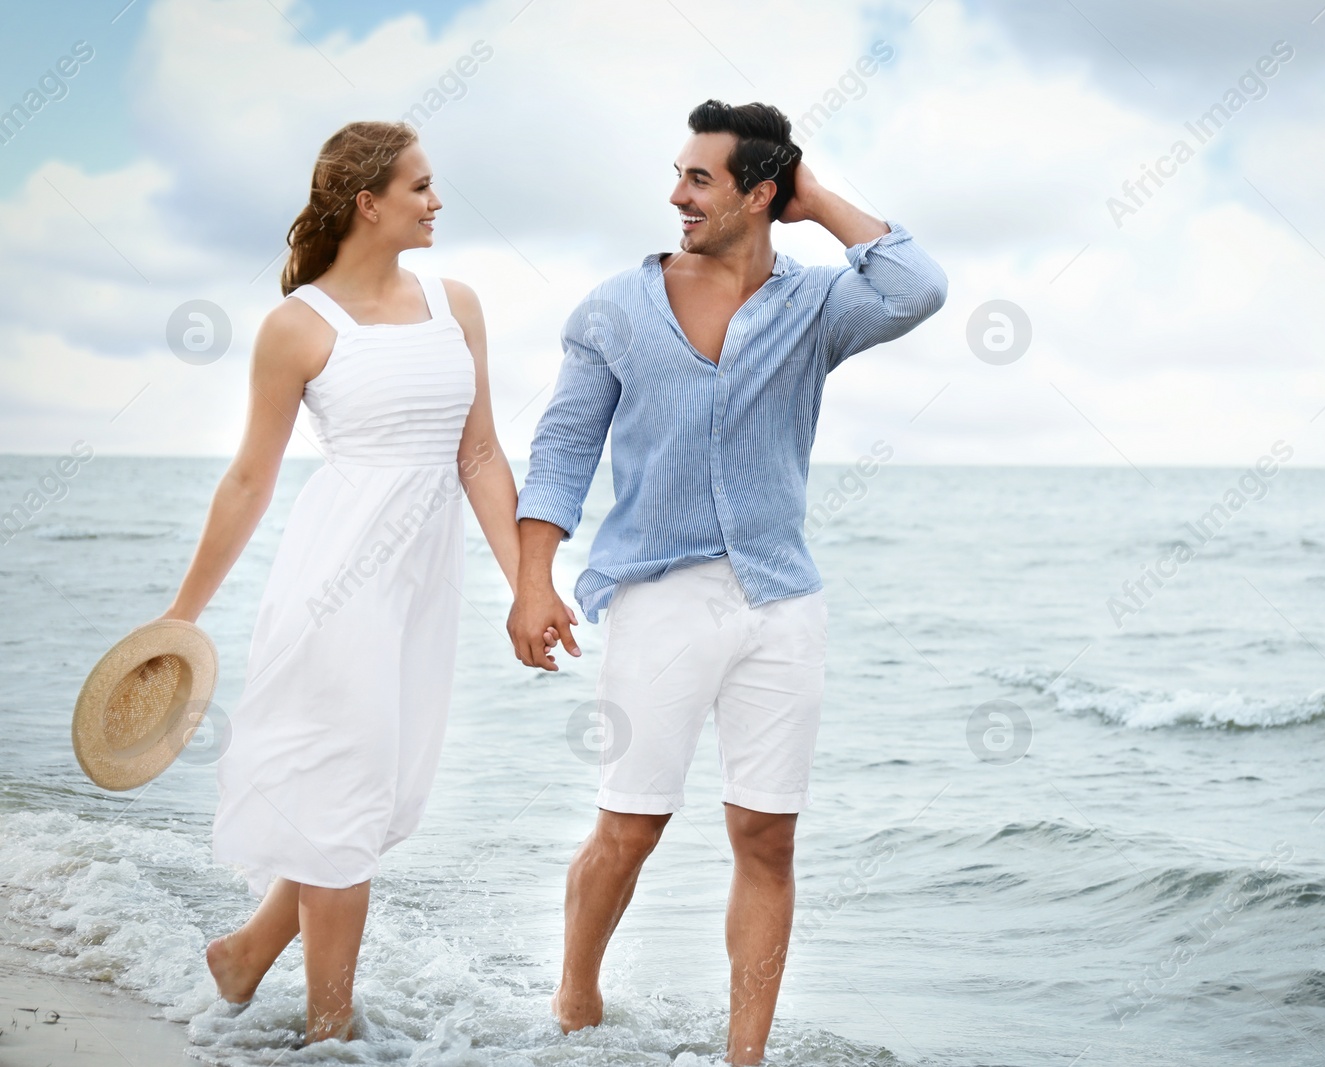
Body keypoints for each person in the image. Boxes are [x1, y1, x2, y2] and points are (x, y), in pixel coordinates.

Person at [506, 99, 947, 1065]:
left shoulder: (817, 306)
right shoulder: (616, 309)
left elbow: (918, 284)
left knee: (766, 836)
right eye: (679, 174)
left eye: (700, 179)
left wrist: (817, 199)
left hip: (783, 600)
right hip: (658, 593)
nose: (677, 194)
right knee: (630, 827)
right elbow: (563, 448)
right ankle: (576, 990)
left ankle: (744, 1057)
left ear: (759, 192)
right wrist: (533, 581)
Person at [156, 121, 550, 1043]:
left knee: (370, 794)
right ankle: (332, 1034)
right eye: (419, 186)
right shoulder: (298, 325)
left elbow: (482, 453)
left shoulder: (457, 304)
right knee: (344, 791)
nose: (437, 201)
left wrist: (529, 583)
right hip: (337, 582)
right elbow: (250, 478)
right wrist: (183, 614)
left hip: (423, 584)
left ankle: (249, 952)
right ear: (368, 201)